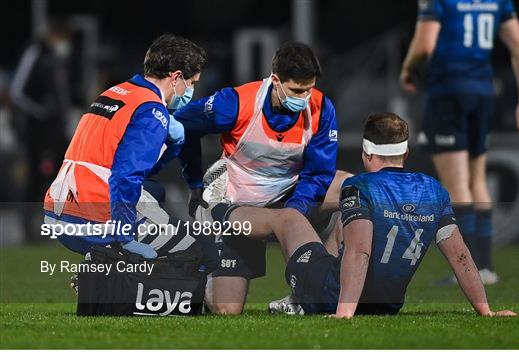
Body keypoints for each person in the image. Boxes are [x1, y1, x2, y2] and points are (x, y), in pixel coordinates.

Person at [210, 112, 517, 318]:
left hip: (335, 295)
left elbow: (359, 253)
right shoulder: (433, 189)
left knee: (289, 219)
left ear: (367, 153)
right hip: (386, 305)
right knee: (347, 223)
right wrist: (485, 311)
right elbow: (460, 255)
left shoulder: (360, 185)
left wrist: (343, 313)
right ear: (405, 153)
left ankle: (221, 209)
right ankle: (298, 301)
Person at [174, 41, 351, 314]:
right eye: (296, 90)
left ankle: (310, 288)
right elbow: (182, 125)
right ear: (276, 80)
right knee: (226, 309)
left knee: (355, 190)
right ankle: (194, 271)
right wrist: (196, 183)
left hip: (288, 198)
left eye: (309, 88)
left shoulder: (321, 108)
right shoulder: (235, 103)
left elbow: (318, 173)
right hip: (237, 202)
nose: (304, 98)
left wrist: (293, 215)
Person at [42, 33, 214, 264]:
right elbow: (126, 177)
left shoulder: (115, 92)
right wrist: (126, 237)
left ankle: (107, 265)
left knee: (155, 193)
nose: (190, 91)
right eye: (191, 83)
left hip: (58, 211)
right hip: (91, 218)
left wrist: (173, 144)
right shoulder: (152, 111)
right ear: (176, 77)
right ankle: (109, 269)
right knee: (204, 255)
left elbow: (138, 170)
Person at [400, 0, 519, 284]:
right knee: (477, 180)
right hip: (483, 94)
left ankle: (469, 271)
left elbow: (425, 45)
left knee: (457, 184)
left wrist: (408, 68)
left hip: (448, 92)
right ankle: (485, 268)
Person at [10, 18, 73, 205]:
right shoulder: (35, 51)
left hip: (55, 127)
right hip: (35, 127)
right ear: (54, 35)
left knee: (60, 172)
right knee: (35, 175)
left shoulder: (58, 58)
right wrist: (40, 110)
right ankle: (29, 223)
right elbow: (17, 91)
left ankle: (54, 220)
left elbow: (61, 93)